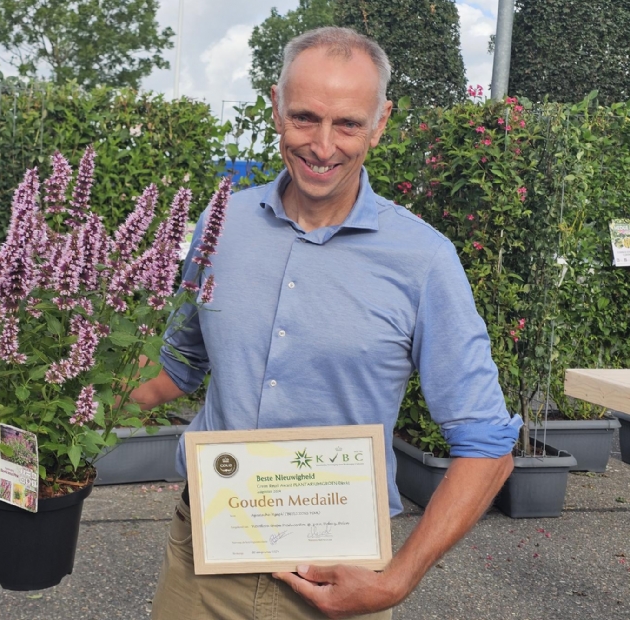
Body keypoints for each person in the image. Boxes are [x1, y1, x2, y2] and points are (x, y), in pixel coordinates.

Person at [131, 26, 522, 620]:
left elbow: (488, 447)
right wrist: (64, 387)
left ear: (381, 121)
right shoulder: (222, 223)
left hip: (340, 581)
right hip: (202, 564)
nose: (322, 145)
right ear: (275, 108)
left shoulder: (422, 260)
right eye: (305, 117)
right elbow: (179, 364)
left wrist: (396, 582)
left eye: (348, 124)